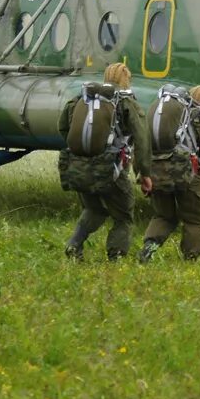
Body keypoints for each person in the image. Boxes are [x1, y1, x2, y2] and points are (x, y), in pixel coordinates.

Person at [59, 62, 153, 261]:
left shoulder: (80, 99)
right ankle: (116, 257)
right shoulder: (126, 103)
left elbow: (63, 127)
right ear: (126, 78)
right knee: (123, 216)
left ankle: (74, 244)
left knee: (94, 209)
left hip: (78, 166)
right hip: (112, 170)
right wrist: (144, 173)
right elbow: (142, 140)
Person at [138, 85, 200, 262]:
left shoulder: (158, 112)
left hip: (156, 172)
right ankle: (190, 258)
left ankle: (149, 248)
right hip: (190, 174)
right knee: (194, 220)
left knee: (164, 216)